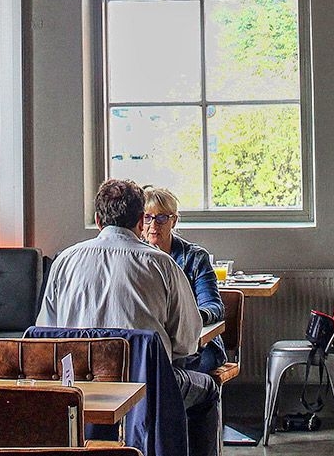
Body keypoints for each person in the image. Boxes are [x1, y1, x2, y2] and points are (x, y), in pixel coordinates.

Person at [38, 178, 221, 456]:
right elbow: (186, 343)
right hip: (148, 391)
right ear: (140, 220)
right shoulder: (163, 265)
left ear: (98, 220)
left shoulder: (64, 262)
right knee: (208, 391)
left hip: (78, 390)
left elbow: (45, 333)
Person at [140, 185, 226, 374]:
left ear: (174, 221)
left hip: (198, 345)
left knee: (168, 374)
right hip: (155, 346)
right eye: (147, 217)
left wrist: (189, 320)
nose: (153, 225)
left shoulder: (195, 257)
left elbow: (214, 306)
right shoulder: (134, 259)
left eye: (161, 218)